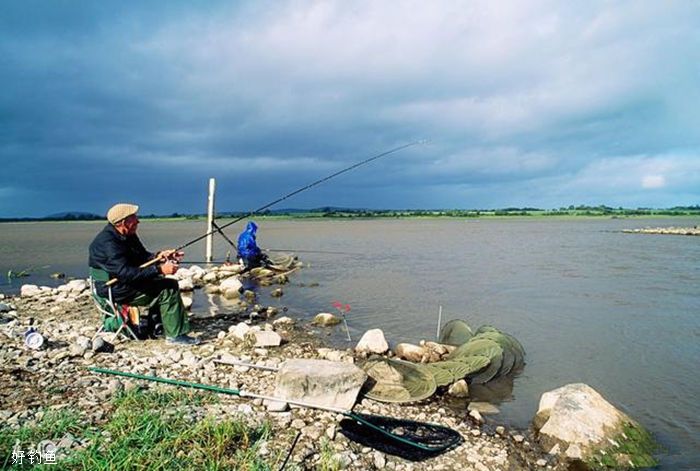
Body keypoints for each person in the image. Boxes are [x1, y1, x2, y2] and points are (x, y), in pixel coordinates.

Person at [88, 203, 199, 345]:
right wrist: (159, 269)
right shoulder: (108, 243)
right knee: (168, 287)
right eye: (134, 218)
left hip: (120, 283)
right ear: (123, 222)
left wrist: (160, 256)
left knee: (160, 281)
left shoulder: (127, 234)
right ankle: (175, 336)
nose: (138, 221)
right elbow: (125, 273)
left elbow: (142, 256)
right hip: (113, 289)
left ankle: (157, 326)